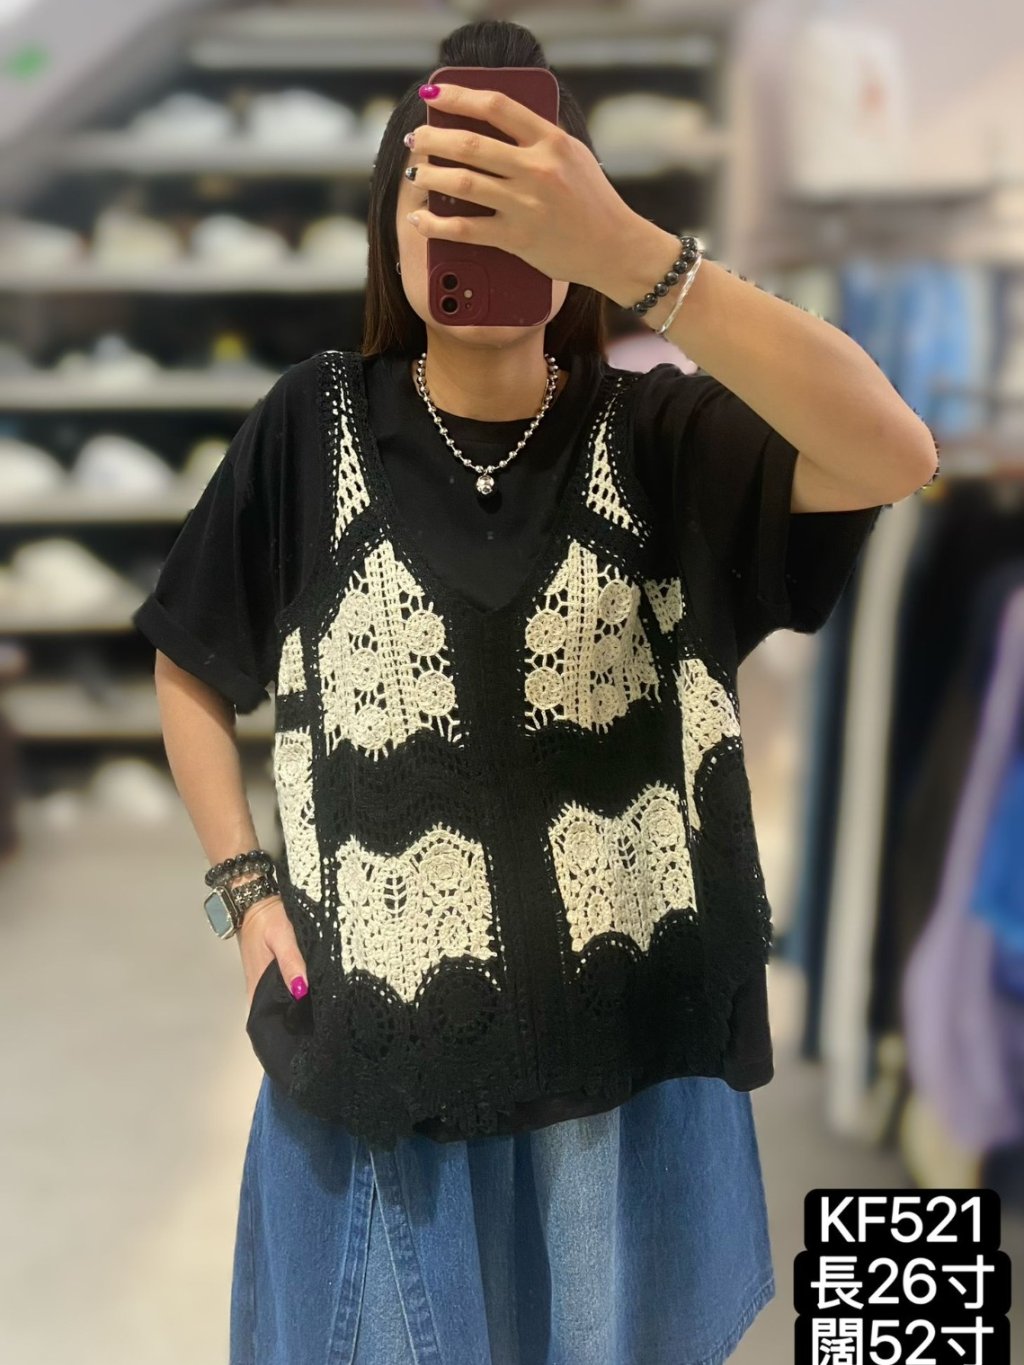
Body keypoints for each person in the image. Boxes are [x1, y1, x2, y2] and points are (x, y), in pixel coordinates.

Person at [132, 19, 937, 1365]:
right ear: (392, 229)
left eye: (521, 193)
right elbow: (187, 661)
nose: (480, 221)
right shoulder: (307, 428)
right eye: (442, 191)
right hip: (377, 1076)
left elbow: (894, 451)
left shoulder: (661, 437)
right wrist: (242, 883)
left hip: (621, 1072)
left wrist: (642, 262)